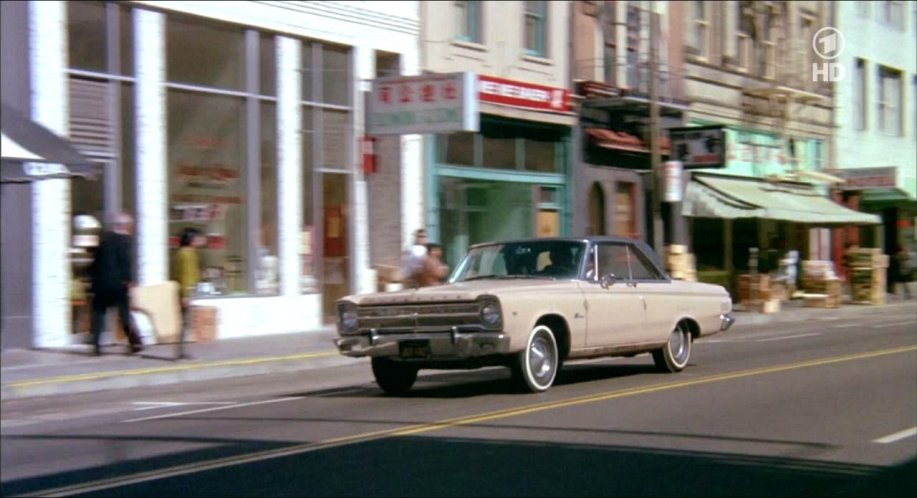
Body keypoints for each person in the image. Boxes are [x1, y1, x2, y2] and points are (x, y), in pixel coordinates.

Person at [88, 212, 143, 356]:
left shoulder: (104, 239)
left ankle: (96, 346)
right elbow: (125, 262)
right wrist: (129, 280)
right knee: (124, 313)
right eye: (130, 225)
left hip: (101, 283)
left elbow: (95, 261)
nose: (131, 228)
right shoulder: (124, 240)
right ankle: (134, 342)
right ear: (125, 226)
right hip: (118, 283)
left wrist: (92, 280)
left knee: (99, 314)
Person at [173, 227, 206, 358]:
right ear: (192, 240)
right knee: (185, 322)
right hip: (186, 291)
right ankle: (181, 351)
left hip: (186, 290)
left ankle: (181, 350)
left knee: (185, 322)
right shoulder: (187, 254)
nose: (202, 240)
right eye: (199, 238)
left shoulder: (185, 252)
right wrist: (186, 295)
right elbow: (186, 274)